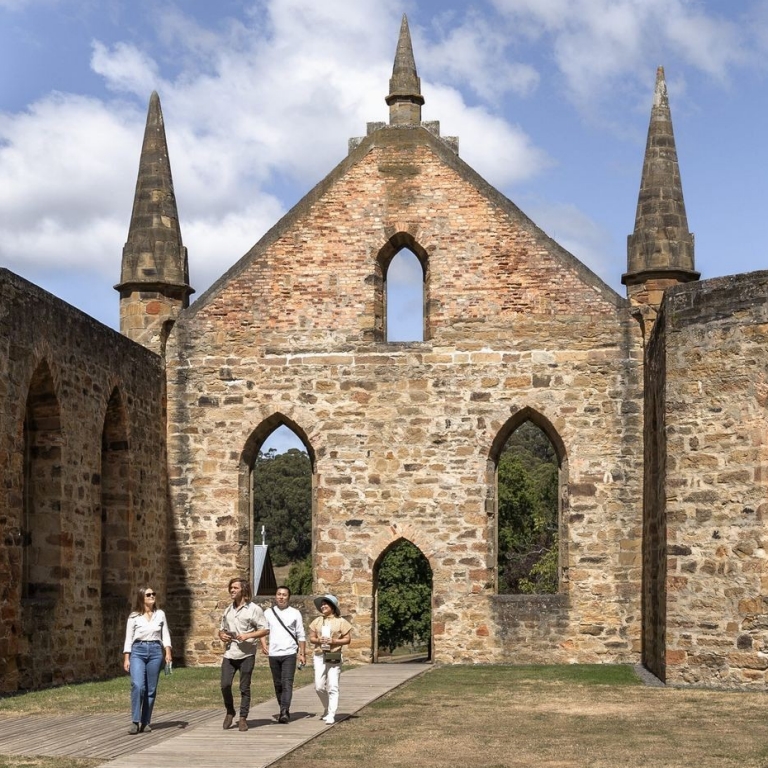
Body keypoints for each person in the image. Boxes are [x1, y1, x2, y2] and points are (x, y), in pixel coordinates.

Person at [217, 577, 269, 732]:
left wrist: (248, 635)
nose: (232, 590)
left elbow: (265, 629)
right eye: (231, 588)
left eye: (235, 588)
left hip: (246, 654)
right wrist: (222, 635)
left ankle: (243, 718)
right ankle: (230, 711)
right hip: (230, 653)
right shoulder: (228, 610)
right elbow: (222, 629)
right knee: (225, 685)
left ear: (243, 590)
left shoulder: (254, 609)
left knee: (244, 687)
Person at [123, 586, 173, 735]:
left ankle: (145, 721)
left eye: (153, 594)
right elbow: (128, 638)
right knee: (138, 685)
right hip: (138, 650)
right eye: (148, 594)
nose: (152, 596)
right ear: (141, 598)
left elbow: (165, 634)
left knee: (151, 689)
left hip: (155, 651)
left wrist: (168, 652)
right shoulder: (134, 617)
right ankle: (135, 721)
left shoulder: (160, 614)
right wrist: (127, 657)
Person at [259, 585, 306, 723]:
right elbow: (263, 630)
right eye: (279, 594)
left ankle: (284, 711)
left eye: (284, 595)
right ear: (275, 596)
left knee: (287, 683)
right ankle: (283, 708)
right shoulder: (268, 612)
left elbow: (301, 634)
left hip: (289, 652)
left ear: (288, 597)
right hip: (273, 653)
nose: (281, 597)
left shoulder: (295, 613)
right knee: (278, 683)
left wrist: (302, 653)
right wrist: (263, 644)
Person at [308, 593, 352, 725]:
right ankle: (327, 708)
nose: (323, 606)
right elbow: (312, 638)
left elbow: (347, 639)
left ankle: (332, 714)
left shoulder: (341, 622)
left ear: (332, 606)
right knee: (319, 686)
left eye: (325, 604)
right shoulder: (317, 621)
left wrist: (334, 641)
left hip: (334, 655)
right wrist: (318, 640)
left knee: (333, 685)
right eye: (321, 604)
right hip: (319, 654)